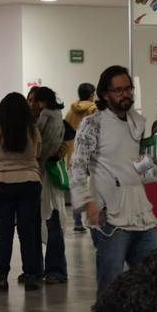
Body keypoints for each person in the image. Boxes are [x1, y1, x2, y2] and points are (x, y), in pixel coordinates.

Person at [71, 65, 157, 296]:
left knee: (153, 278)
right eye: (118, 90)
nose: (125, 94)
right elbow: (78, 167)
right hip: (109, 216)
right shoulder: (93, 124)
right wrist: (87, 203)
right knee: (110, 285)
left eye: (128, 88)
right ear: (104, 94)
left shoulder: (138, 122)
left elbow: (135, 165)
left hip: (141, 214)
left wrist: (151, 165)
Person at [0, 93, 43, 292]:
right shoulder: (33, 130)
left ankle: (2, 278)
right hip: (29, 183)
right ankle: (31, 276)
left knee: (5, 233)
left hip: (1, 185)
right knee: (27, 232)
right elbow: (38, 153)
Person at [34, 86, 68, 284]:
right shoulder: (59, 115)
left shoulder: (45, 116)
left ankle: (54, 269)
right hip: (47, 172)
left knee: (51, 220)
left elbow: (39, 142)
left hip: (43, 172)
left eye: (36, 101)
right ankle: (49, 269)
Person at [65, 83, 97, 233]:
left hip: (72, 153)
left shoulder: (71, 111)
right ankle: (93, 218)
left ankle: (77, 222)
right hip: (89, 155)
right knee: (93, 186)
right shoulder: (93, 110)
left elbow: (64, 131)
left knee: (77, 185)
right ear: (91, 95)